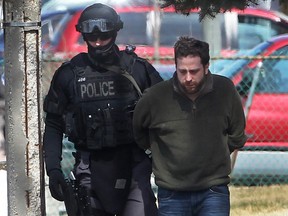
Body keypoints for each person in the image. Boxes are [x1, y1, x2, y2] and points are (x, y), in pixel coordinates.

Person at [43, 3, 163, 216]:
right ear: (84, 36)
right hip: (89, 167)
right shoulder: (68, 75)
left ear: (115, 33)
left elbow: (165, 117)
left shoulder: (138, 70)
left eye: (104, 37)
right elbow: (53, 124)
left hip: (134, 164)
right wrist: (53, 169)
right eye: (92, 38)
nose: (98, 43)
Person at [133, 36, 247, 216]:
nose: (188, 78)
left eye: (194, 71)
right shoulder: (155, 97)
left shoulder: (224, 90)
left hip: (213, 190)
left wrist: (215, 155)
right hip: (171, 193)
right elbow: (139, 133)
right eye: (182, 71)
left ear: (206, 67)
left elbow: (237, 134)